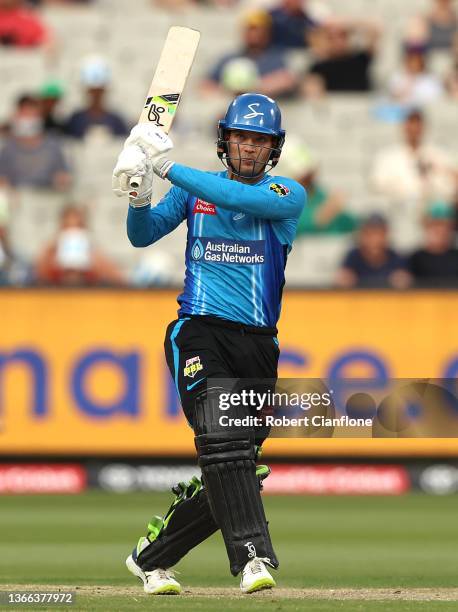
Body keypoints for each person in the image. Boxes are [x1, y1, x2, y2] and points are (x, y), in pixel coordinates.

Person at [112, 93, 306, 595]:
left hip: (259, 344)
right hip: (199, 330)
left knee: (238, 462)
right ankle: (253, 559)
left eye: (259, 140)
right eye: (241, 137)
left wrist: (167, 166)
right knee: (222, 443)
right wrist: (138, 193)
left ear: (274, 149)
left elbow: (244, 200)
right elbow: (142, 236)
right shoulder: (193, 192)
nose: (248, 148)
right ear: (225, 141)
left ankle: (152, 557)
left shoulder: (287, 194)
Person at [201, 11, 297, 98]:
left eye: (258, 29)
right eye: (250, 29)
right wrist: (229, 90)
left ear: (267, 32)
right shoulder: (229, 58)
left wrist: (253, 88)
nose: (254, 34)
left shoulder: (276, 58)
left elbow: (287, 80)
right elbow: (206, 85)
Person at [371, 109, 457, 203]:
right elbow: (378, 184)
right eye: (411, 124)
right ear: (404, 127)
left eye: (417, 125)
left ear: (423, 128)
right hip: (398, 206)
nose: (414, 130)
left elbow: (451, 184)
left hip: (432, 209)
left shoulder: (437, 155)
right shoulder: (388, 157)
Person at [35, 205, 125, 286]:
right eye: (67, 227)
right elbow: (37, 275)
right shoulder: (51, 254)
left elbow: (119, 279)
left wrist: (96, 259)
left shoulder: (94, 255)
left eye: (78, 227)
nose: (73, 232)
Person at [0, 95, 71, 190]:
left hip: (46, 197)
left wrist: (62, 181)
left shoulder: (53, 146)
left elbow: (63, 175)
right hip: (17, 198)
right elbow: (2, 178)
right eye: (25, 115)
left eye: (32, 116)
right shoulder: (8, 148)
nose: (28, 121)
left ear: (40, 118)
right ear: (16, 117)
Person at [336, 214, 412, 289]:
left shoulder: (396, 257)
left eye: (379, 234)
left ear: (386, 235)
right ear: (361, 235)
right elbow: (343, 277)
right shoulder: (353, 256)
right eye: (369, 234)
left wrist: (402, 281)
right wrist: (345, 279)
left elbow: (404, 279)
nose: (374, 239)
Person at [305, 17, 380, 93]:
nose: (337, 41)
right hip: (333, 103)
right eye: (331, 38)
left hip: (360, 103)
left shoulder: (360, 59)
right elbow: (312, 91)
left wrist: (345, 23)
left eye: (342, 36)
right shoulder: (319, 67)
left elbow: (375, 29)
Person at [65, 56, 129, 139]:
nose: (96, 94)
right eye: (93, 90)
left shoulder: (116, 121)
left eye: (99, 90)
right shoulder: (75, 120)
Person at [408, 201, 458, 287]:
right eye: (433, 225)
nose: (438, 230)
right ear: (425, 227)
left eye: (443, 225)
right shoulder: (415, 260)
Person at [388, 43, 444, 108]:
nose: (414, 64)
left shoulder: (431, 80)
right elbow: (393, 95)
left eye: (417, 60)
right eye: (411, 60)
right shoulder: (397, 76)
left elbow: (434, 99)